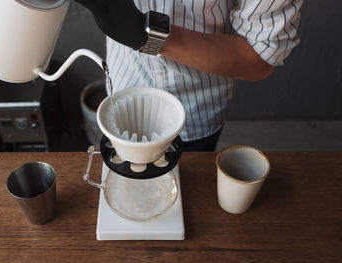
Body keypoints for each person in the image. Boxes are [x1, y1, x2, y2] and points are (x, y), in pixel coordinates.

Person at [73, 0, 304, 151]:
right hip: (125, 82)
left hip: (195, 108)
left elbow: (259, 57)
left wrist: (144, 34)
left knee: (186, 197)